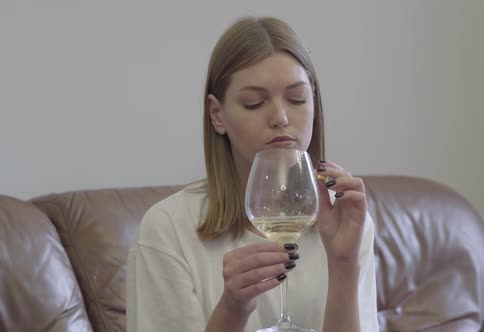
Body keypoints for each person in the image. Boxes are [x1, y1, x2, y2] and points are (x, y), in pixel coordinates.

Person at [126, 16, 378, 332]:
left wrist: (344, 265)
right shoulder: (167, 230)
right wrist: (232, 309)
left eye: (297, 99)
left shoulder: (346, 223)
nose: (281, 117)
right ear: (217, 115)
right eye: (254, 103)